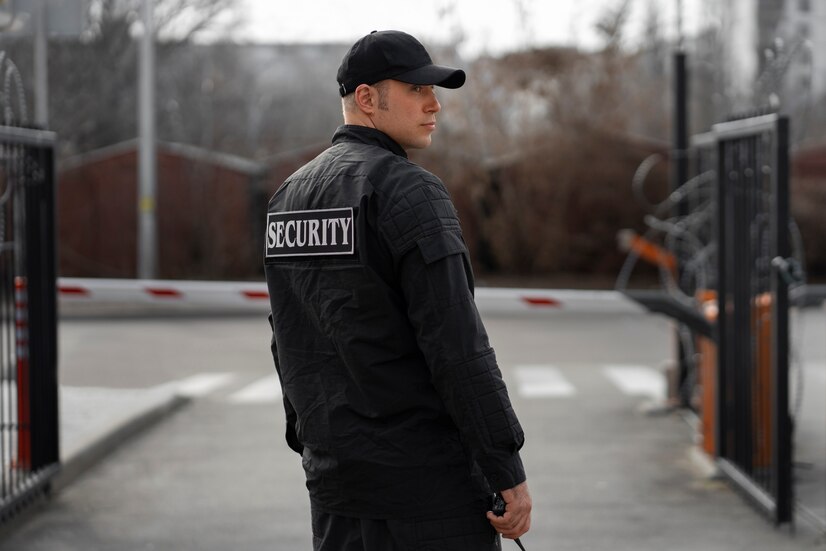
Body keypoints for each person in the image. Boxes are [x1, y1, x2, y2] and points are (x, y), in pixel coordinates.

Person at [264, 30, 531, 551]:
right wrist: (505, 466)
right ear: (367, 98)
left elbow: (286, 342)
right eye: (416, 89)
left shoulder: (288, 198)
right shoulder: (409, 191)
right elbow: (457, 346)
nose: (434, 104)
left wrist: (314, 448)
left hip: (336, 493)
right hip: (428, 499)